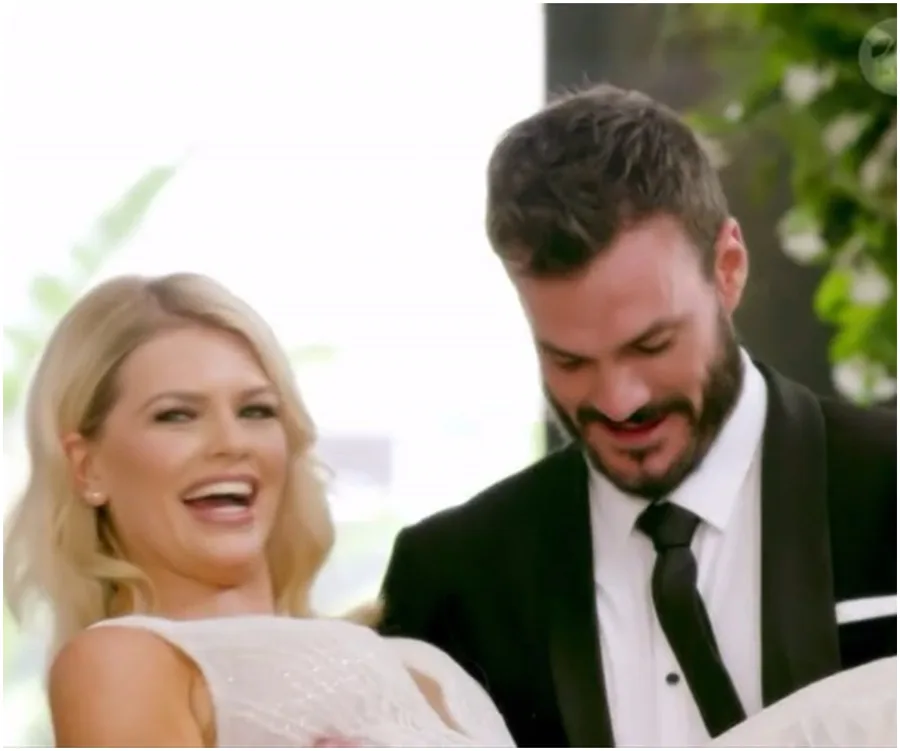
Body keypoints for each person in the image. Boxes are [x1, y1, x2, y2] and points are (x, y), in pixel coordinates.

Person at [378, 83, 897, 747]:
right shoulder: (452, 580)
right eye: (568, 360)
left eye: (652, 344)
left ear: (729, 268)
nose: (619, 400)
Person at [3, 272, 516, 748]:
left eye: (256, 411)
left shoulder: (418, 662)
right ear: (87, 467)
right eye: (176, 416)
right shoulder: (119, 662)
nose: (231, 442)